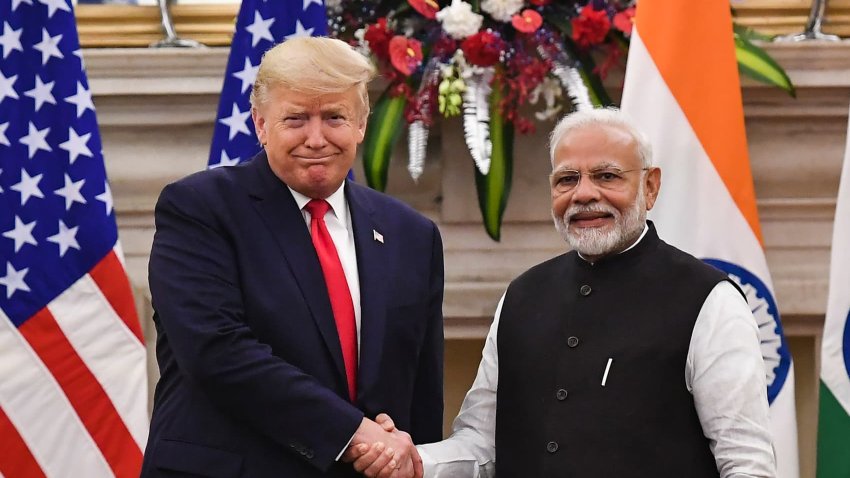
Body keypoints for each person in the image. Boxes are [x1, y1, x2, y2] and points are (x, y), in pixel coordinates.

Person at [352, 107, 777, 477]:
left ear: (650, 186)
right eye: (567, 179)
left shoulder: (709, 300)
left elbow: (746, 463)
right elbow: (481, 445)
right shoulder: (521, 297)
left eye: (607, 176)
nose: (585, 194)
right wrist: (416, 461)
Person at [141, 36, 444, 478]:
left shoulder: (410, 234)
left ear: (361, 124)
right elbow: (217, 352)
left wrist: (414, 461)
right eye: (296, 119)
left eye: (335, 117)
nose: (316, 138)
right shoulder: (200, 209)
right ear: (261, 124)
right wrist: (356, 434)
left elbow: (421, 386)